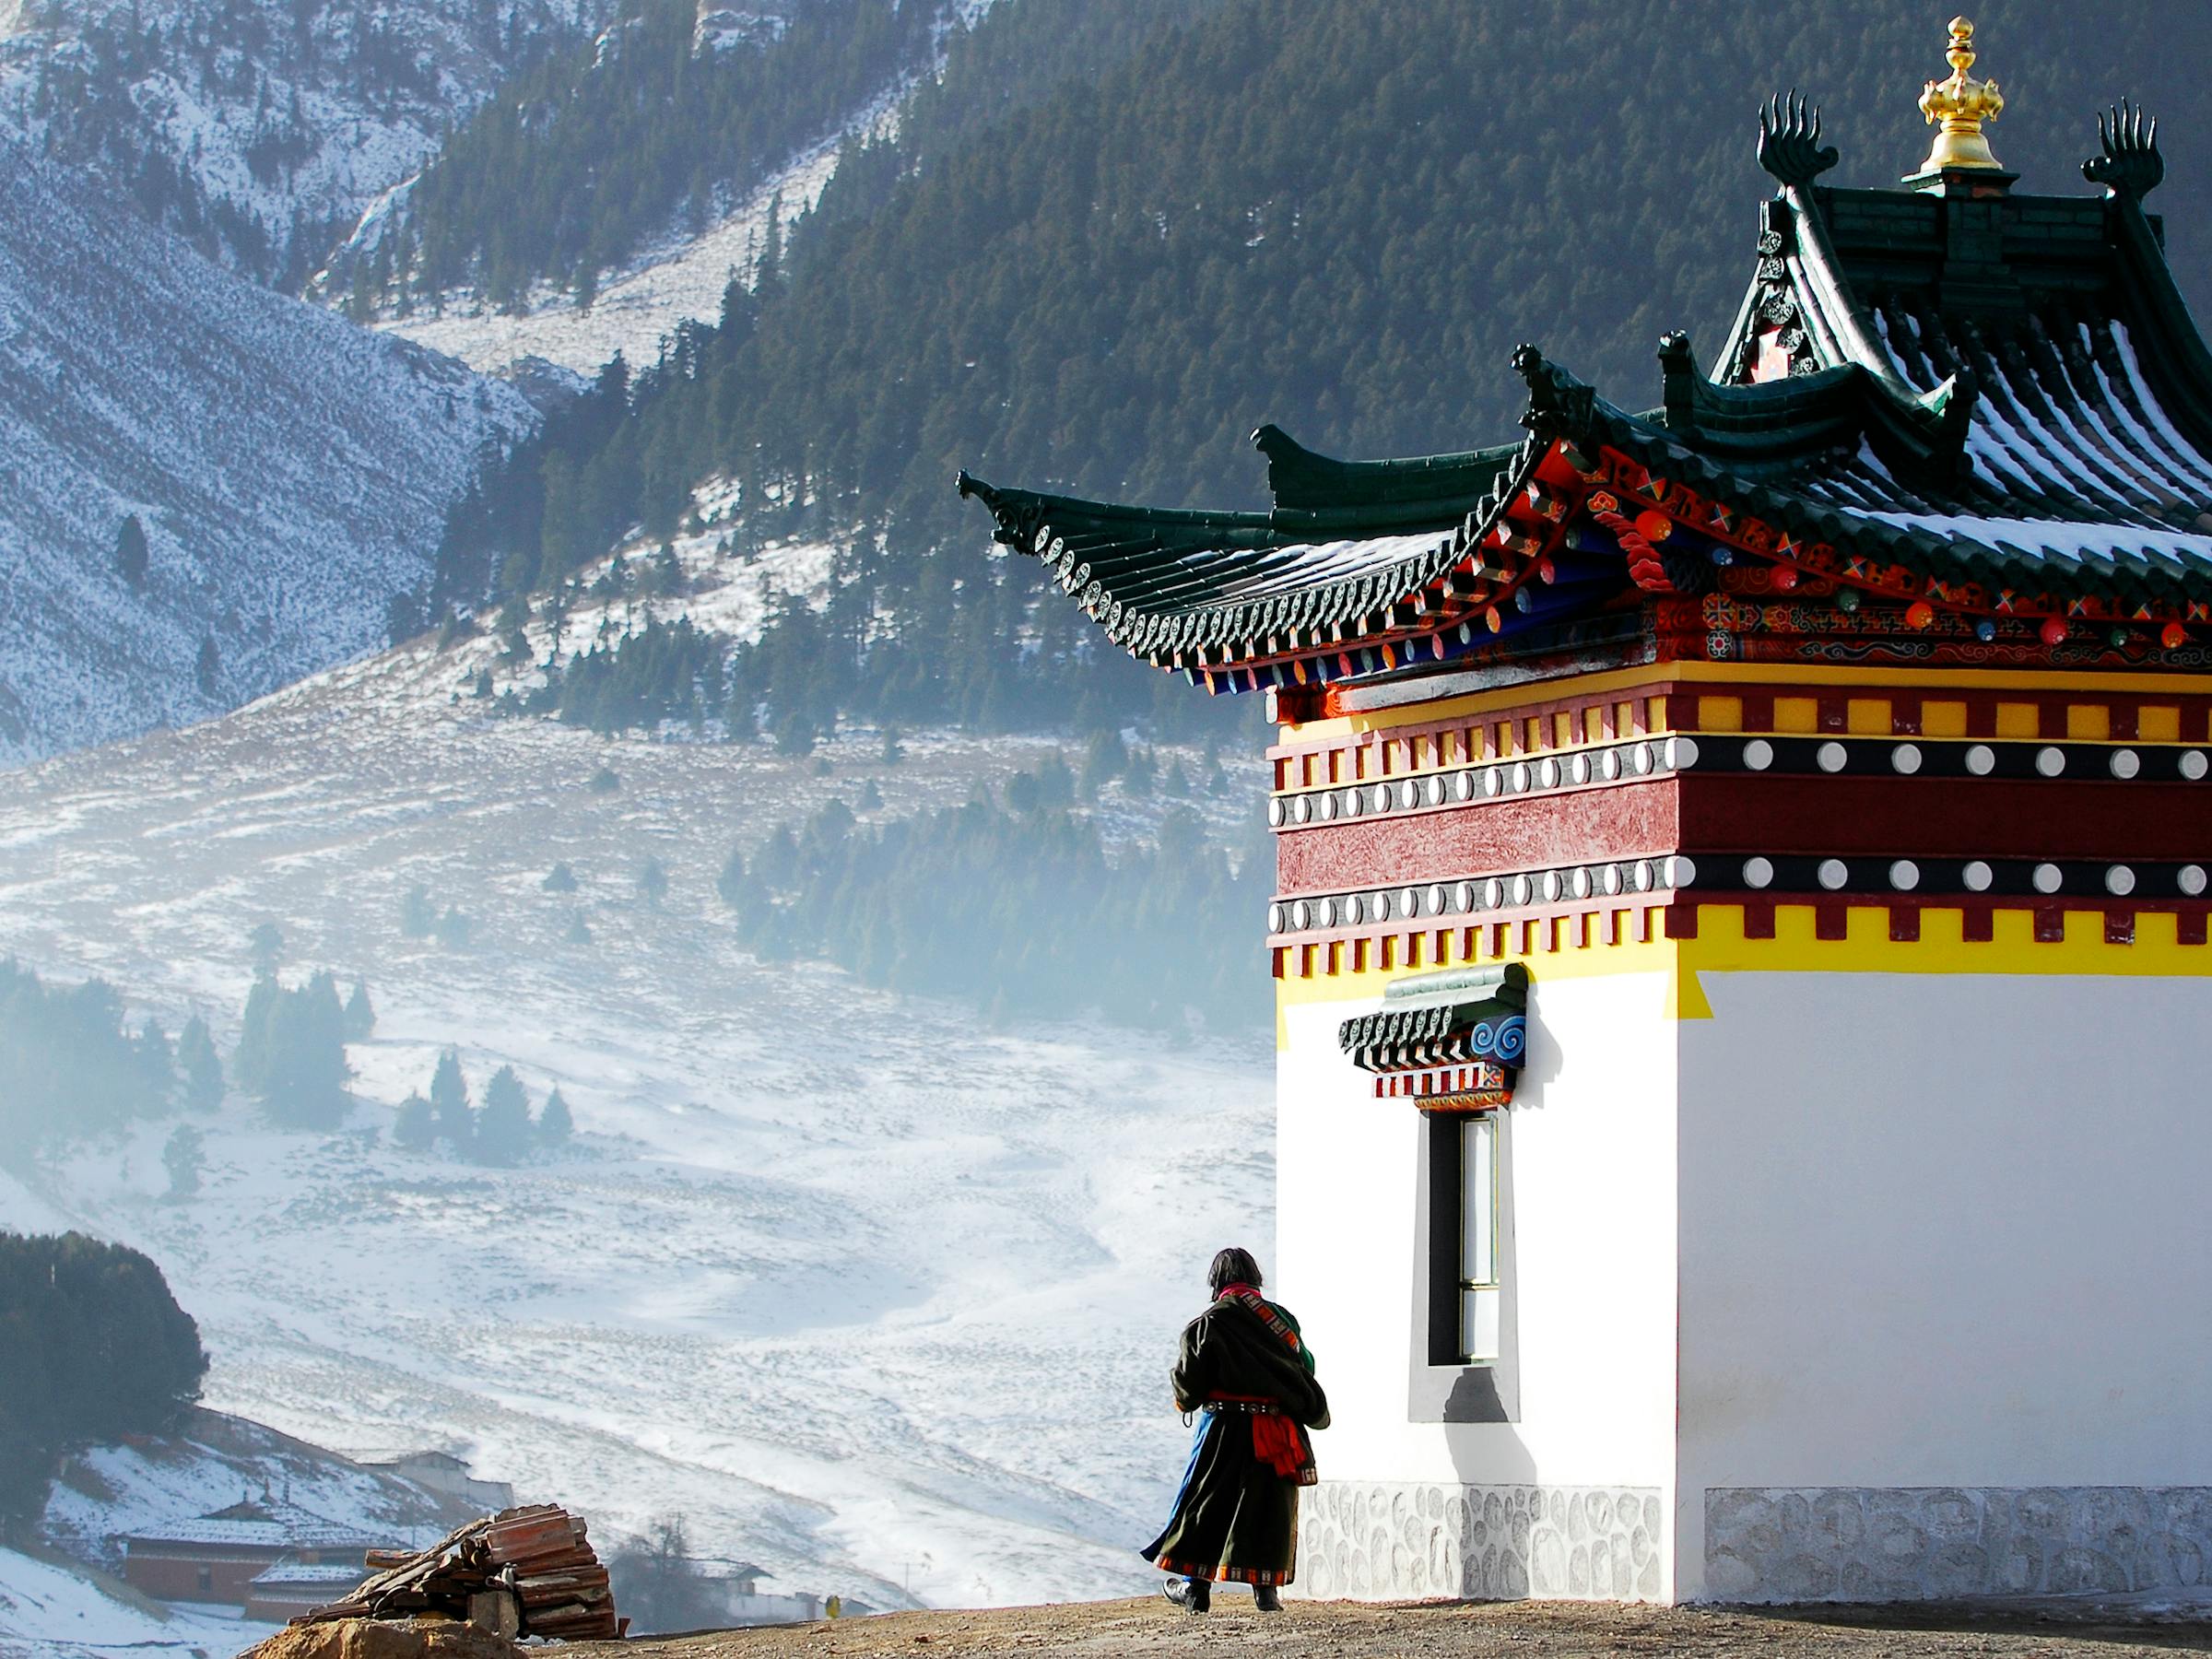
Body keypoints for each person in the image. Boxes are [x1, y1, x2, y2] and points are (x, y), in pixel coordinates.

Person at [1141, 1246, 1329, 1614]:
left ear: (1216, 1283)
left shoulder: (1207, 1324)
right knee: (1268, 1506)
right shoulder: (1282, 1322)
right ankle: (1267, 1593)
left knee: (1205, 1504)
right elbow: (1305, 1364)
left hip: (1223, 1430)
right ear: (1256, 1279)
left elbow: (1188, 1390)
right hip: (1274, 1428)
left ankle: (1195, 1590)